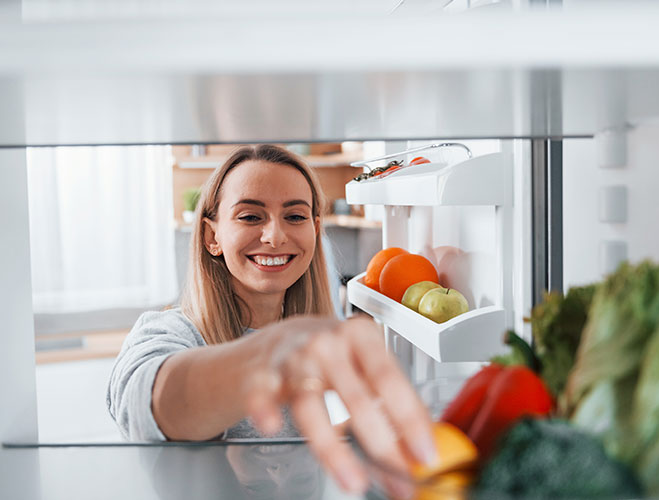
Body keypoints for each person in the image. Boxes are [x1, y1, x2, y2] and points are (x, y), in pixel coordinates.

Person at [107, 144, 436, 494]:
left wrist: (350, 439)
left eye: (295, 216)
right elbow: (147, 404)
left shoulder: (310, 346)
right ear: (211, 236)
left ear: (314, 230)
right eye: (250, 216)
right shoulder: (168, 331)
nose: (275, 237)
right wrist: (268, 355)